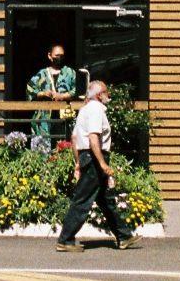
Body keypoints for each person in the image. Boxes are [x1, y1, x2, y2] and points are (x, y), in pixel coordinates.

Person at [55, 79, 141, 253]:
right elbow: (94, 138)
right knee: (83, 199)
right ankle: (65, 239)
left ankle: (123, 236)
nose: (109, 95)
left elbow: (74, 138)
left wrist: (78, 163)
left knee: (105, 200)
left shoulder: (85, 110)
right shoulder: (95, 110)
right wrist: (102, 163)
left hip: (87, 156)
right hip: (95, 158)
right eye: (106, 92)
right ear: (99, 95)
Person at [27, 45, 77, 143]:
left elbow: (78, 90)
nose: (59, 58)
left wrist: (63, 96)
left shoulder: (70, 73)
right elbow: (30, 90)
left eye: (62, 55)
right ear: (50, 56)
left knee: (64, 144)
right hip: (44, 117)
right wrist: (42, 93)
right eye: (57, 55)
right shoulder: (41, 74)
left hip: (64, 117)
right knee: (43, 146)